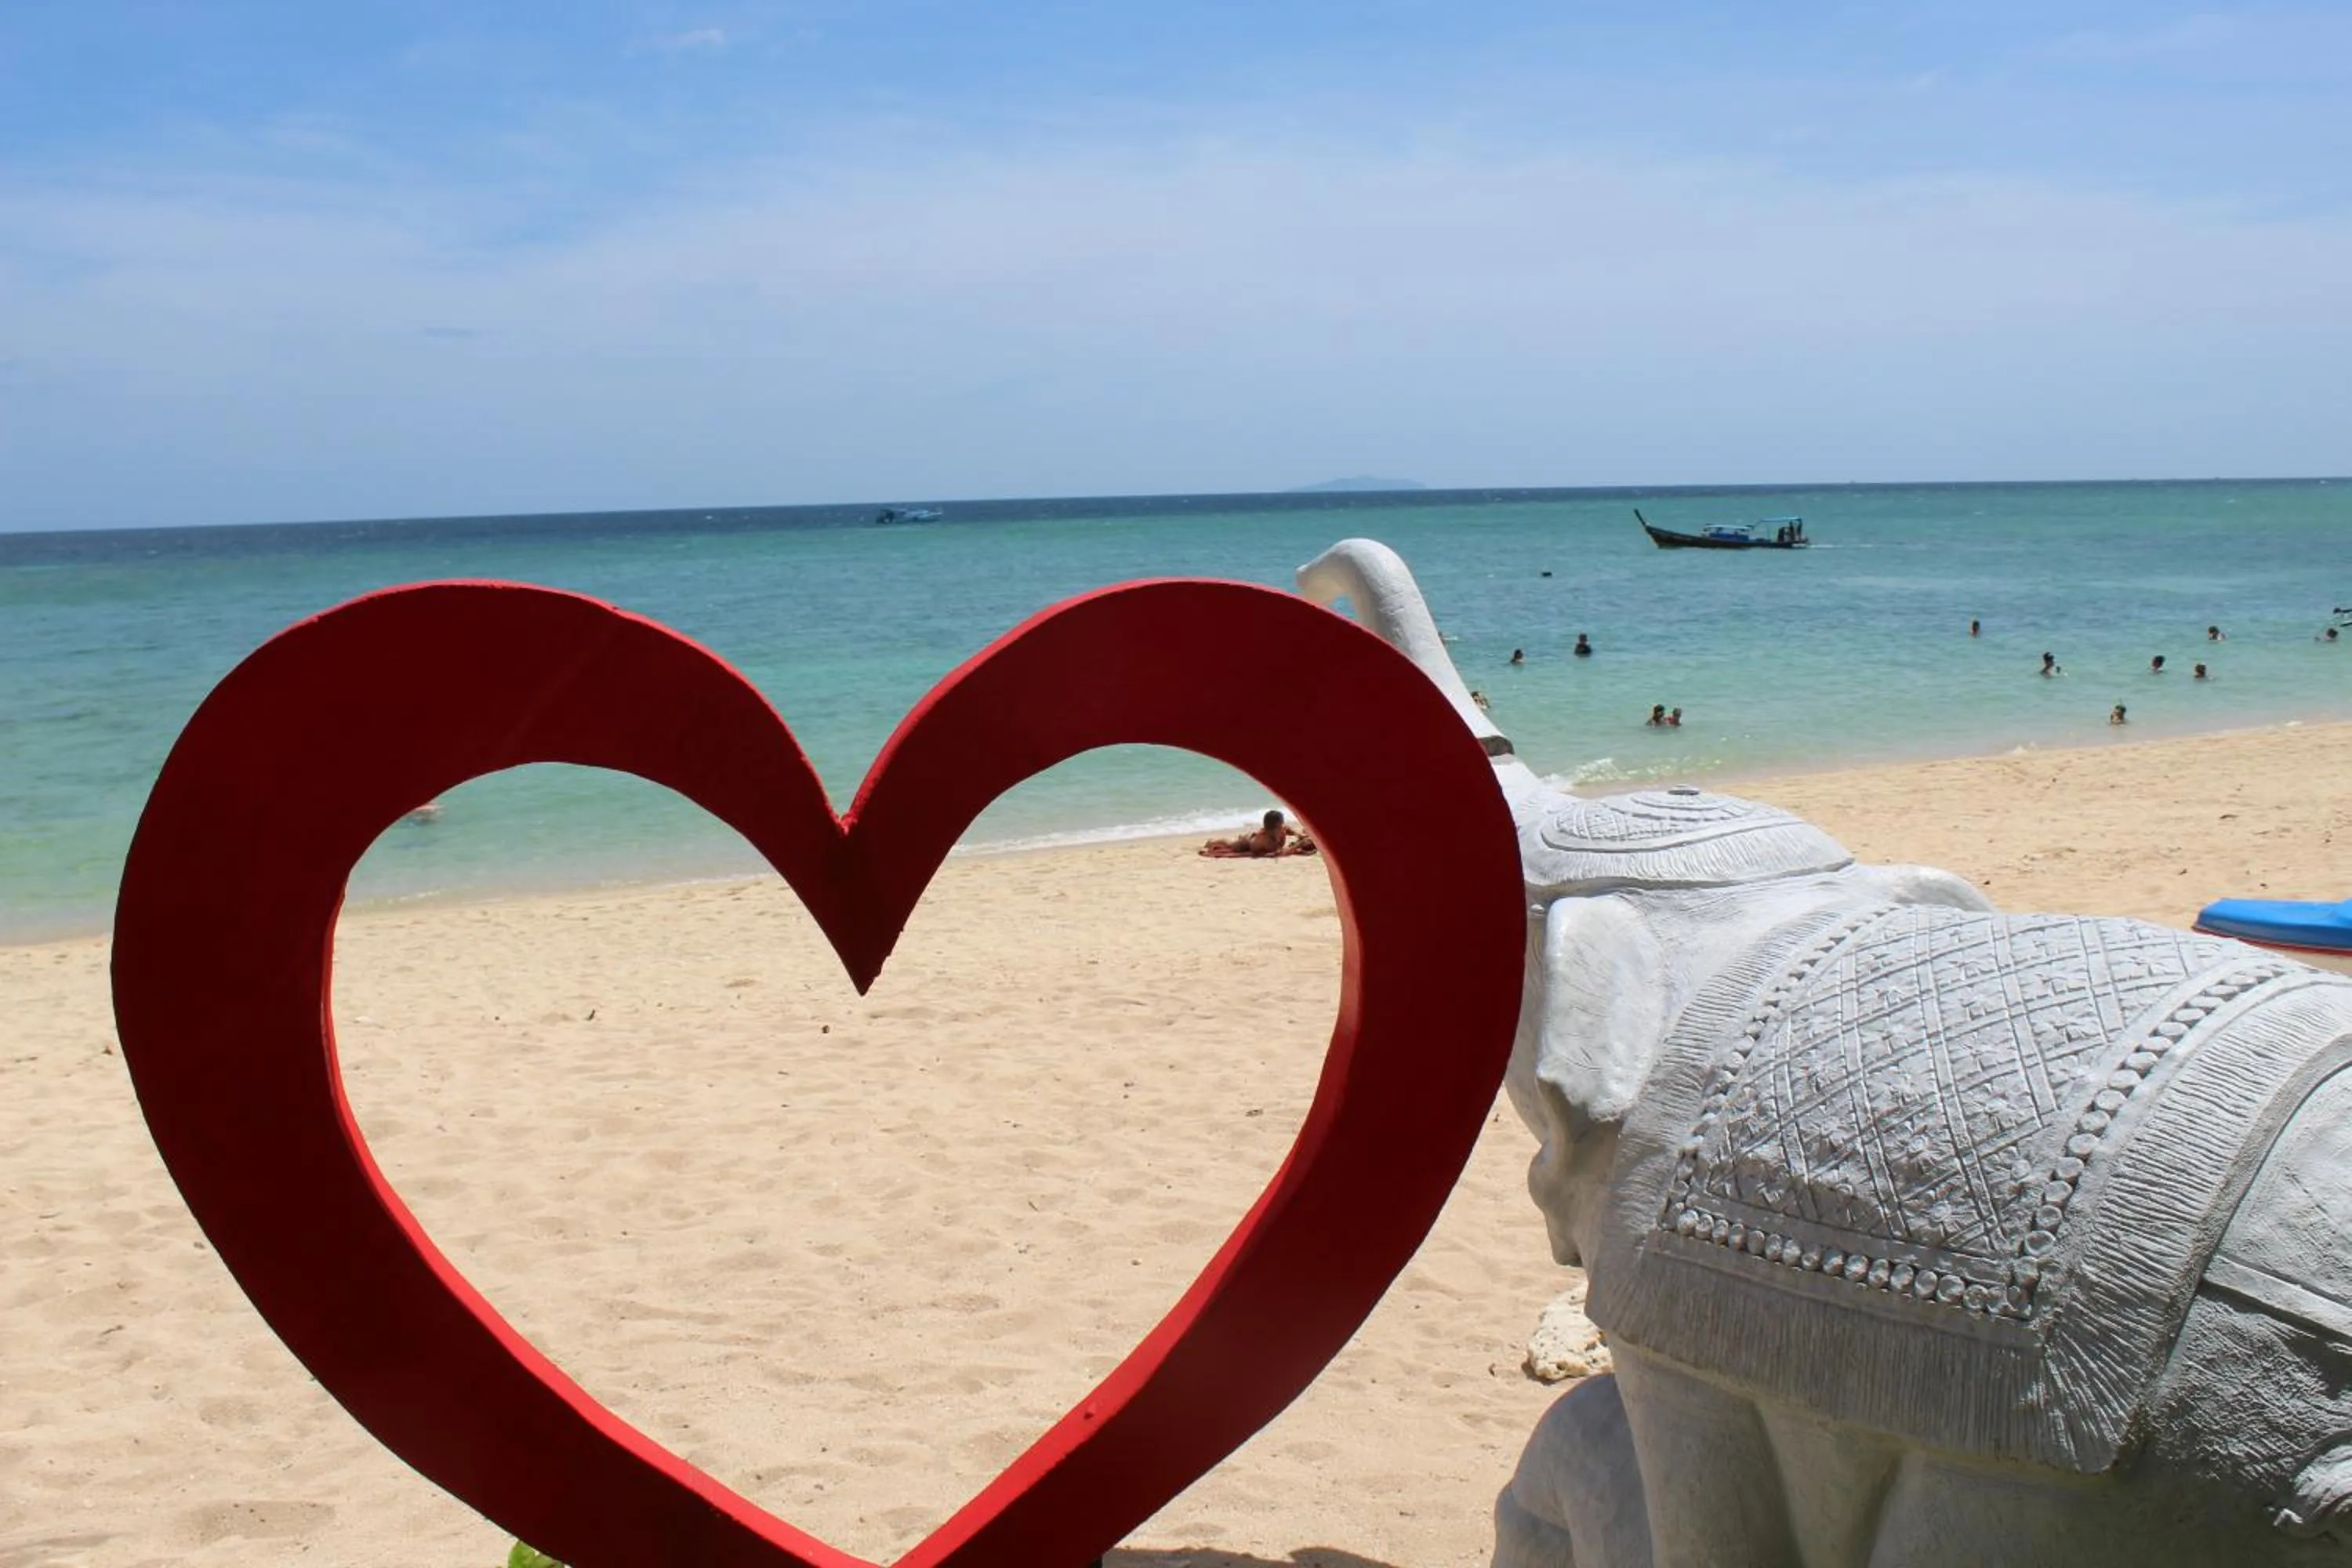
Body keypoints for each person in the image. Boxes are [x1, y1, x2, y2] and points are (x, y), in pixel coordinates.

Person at [1200, 808, 1316, 859]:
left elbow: (1288, 829)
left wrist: (1299, 835)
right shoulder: (1267, 842)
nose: (1283, 825)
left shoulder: (1281, 829)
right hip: (1247, 842)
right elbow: (1279, 853)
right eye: (1281, 823)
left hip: (1255, 838)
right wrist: (1298, 845)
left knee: (1232, 844)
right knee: (1231, 845)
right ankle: (1211, 842)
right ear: (1274, 828)